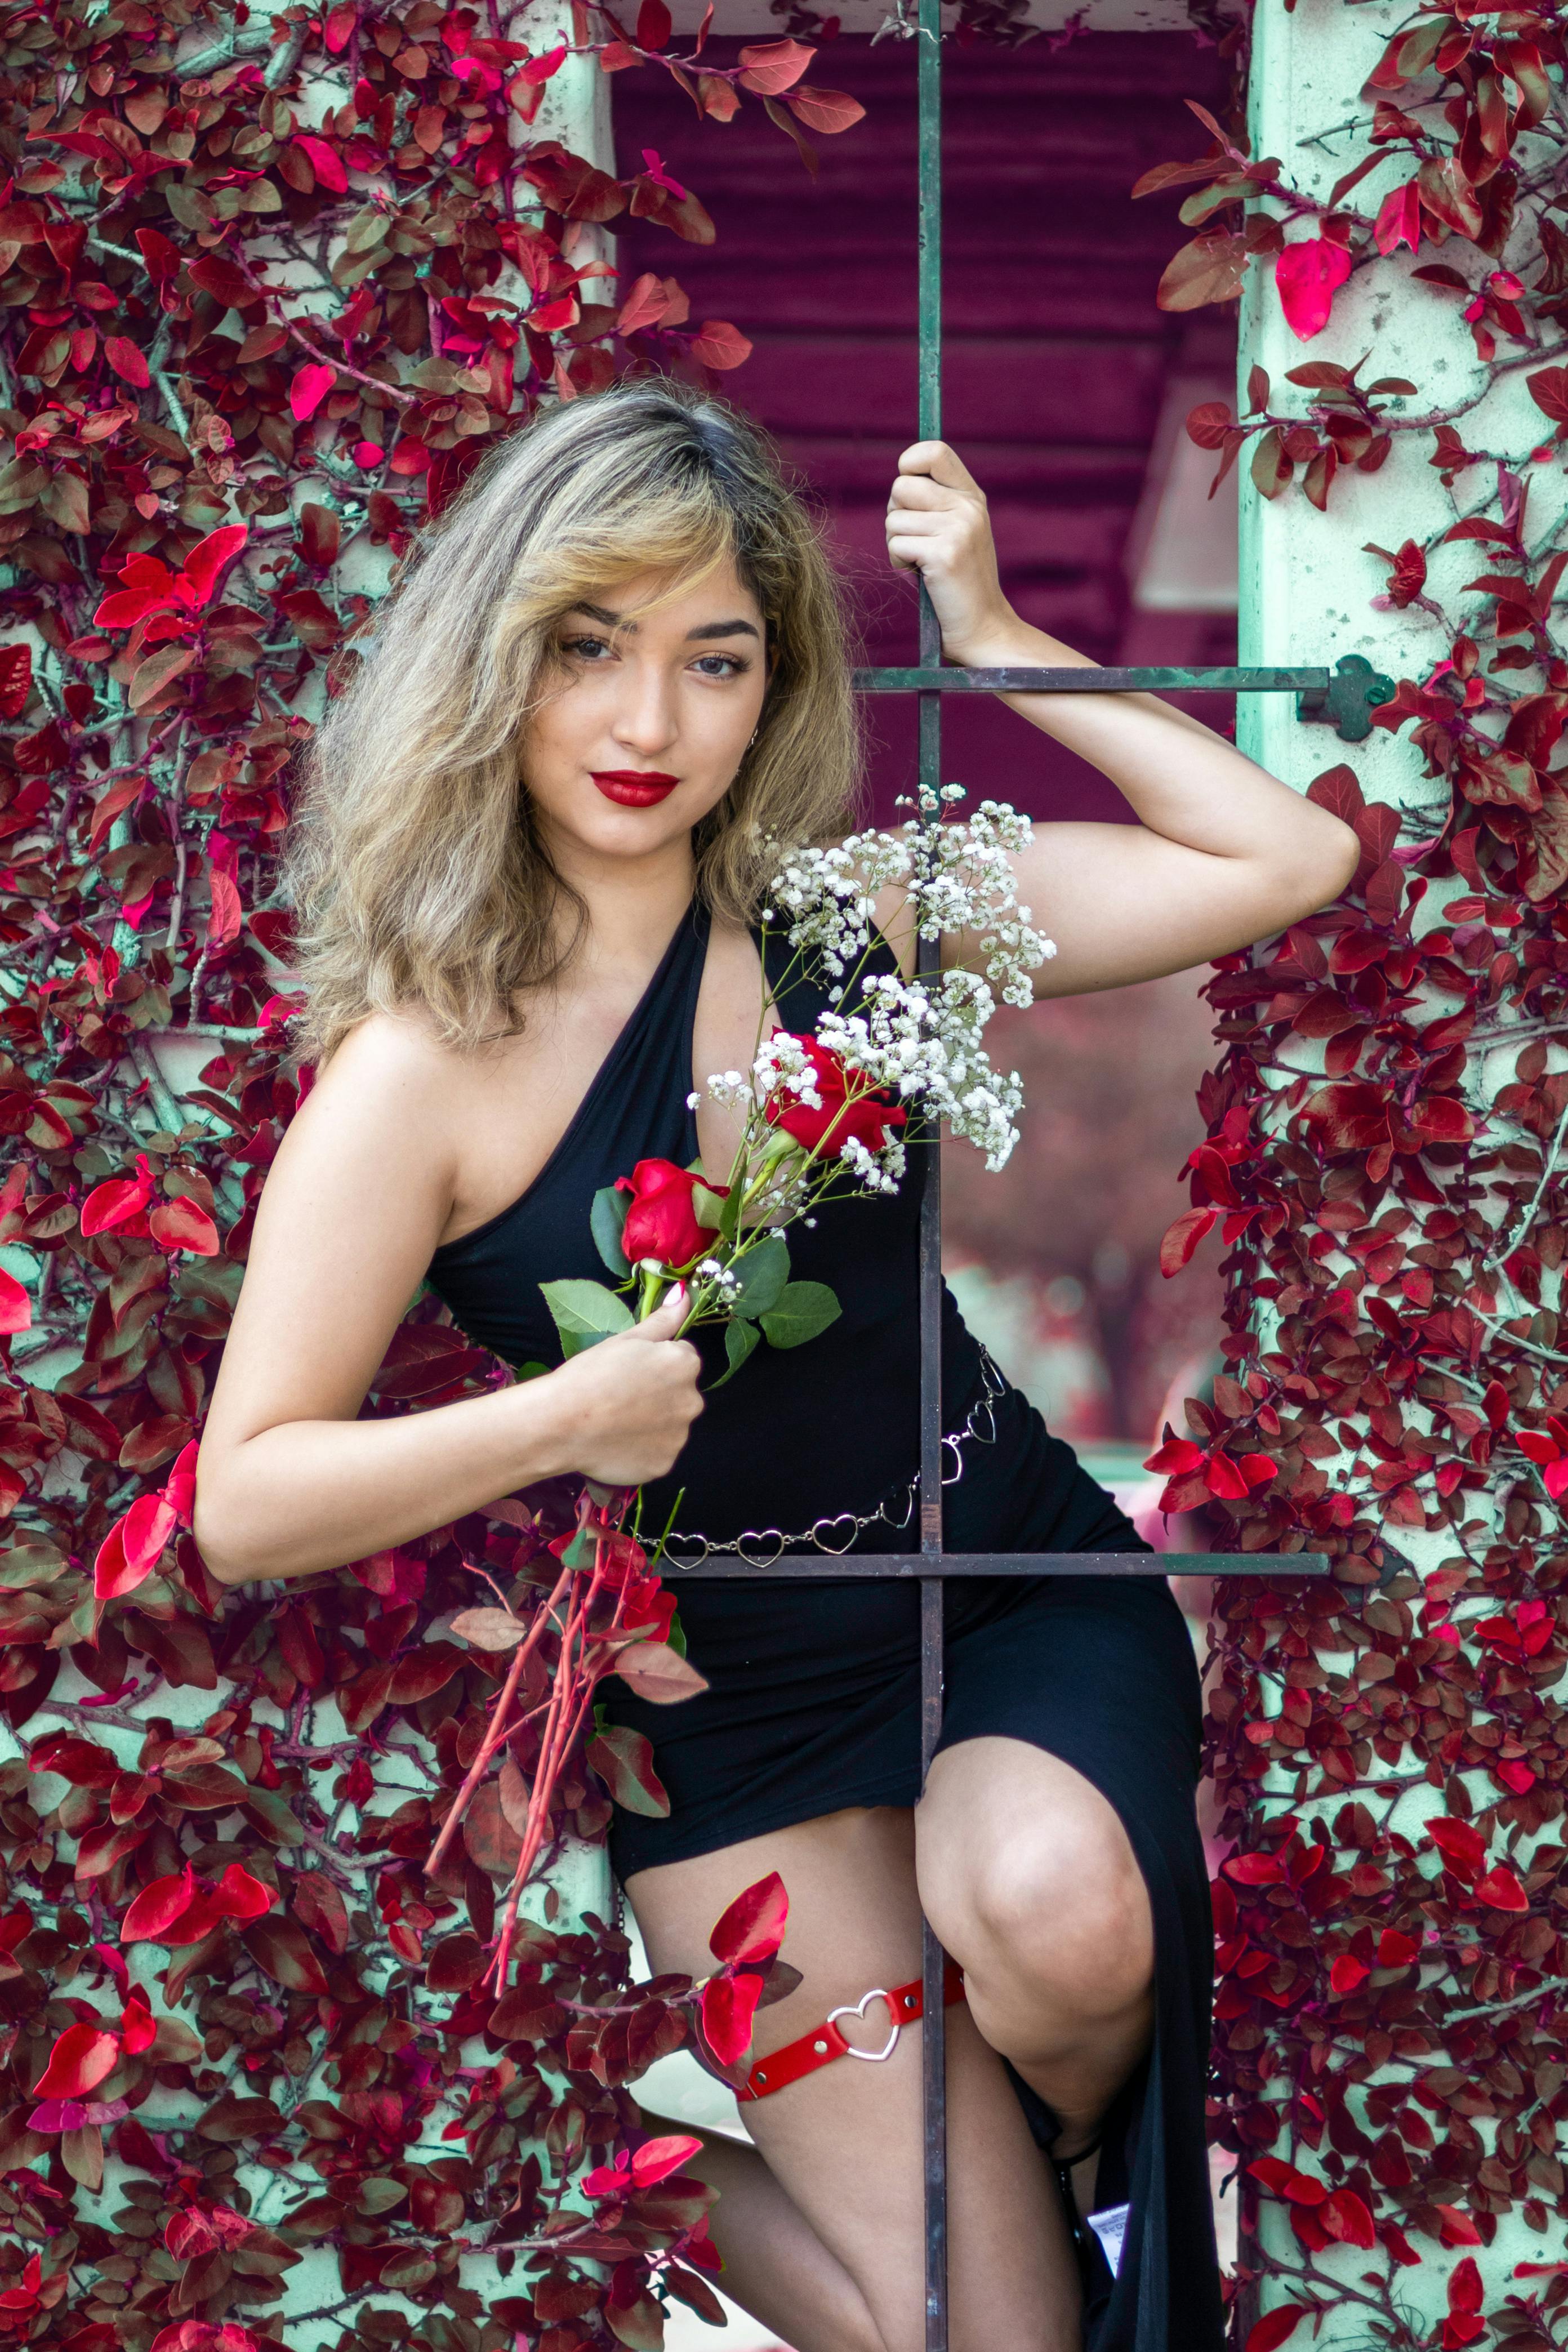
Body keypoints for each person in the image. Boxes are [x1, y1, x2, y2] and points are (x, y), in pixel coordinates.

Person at [194, 382, 1357, 2352]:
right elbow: (244, 1498)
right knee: (987, 2345)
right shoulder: (420, 1072)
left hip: (997, 1578)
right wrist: (558, 1421)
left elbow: (1273, 863)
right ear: (503, 661)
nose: (649, 726)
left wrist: (991, 639)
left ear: (775, 687)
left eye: (713, 661)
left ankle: (1050, 2183)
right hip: (732, 1717)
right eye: (591, 649)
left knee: (1064, 1908)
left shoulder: (860, 918)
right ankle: (720, 2192)